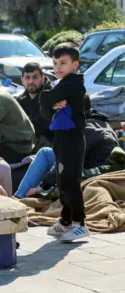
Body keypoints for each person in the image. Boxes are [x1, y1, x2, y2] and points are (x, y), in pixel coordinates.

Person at [16, 96, 118, 198]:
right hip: (90, 167)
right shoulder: (99, 123)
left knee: (48, 155)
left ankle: (20, 197)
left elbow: (66, 161)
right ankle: (20, 195)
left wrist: (42, 187)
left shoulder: (86, 130)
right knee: (46, 152)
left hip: (91, 174)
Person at [39, 42, 88, 242]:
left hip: (72, 138)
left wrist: (49, 100)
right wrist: (51, 105)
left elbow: (44, 98)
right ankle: (66, 221)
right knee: (62, 181)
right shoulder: (62, 85)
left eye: (63, 63)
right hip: (61, 137)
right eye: (55, 63)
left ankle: (80, 223)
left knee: (70, 181)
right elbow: (44, 109)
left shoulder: (73, 84)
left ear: (75, 65)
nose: (58, 67)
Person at [17, 62, 54, 151]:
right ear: (22, 80)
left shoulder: (51, 97)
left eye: (35, 77)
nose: (31, 82)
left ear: (42, 79)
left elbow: (39, 127)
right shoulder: (20, 100)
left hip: (48, 147)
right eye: (27, 77)